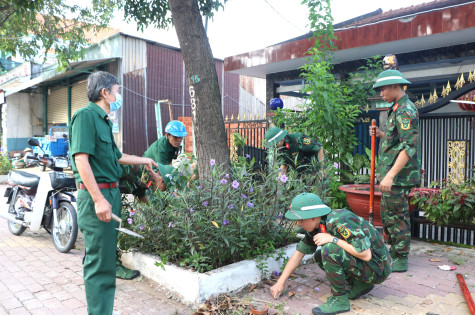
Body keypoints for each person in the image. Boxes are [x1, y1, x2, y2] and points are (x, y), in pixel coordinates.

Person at [69, 71, 158, 315]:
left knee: (107, 261)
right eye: (116, 91)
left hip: (111, 195)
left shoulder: (104, 121)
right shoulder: (86, 117)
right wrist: (98, 199)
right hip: (97, 196)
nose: (118, 96)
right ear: (104, 92)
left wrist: (145, 159)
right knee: (99, 264)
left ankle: (102, 311)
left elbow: (118, 157)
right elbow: (81, 160)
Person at [270, 193, 392, 315]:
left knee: (329, 250)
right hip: (369, 265)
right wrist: (280, 283)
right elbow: (299, 253)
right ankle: (360, 284)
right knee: (319, 256)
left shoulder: (340, 220)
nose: (298, 224)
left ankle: (340, 300)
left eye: (300, 220)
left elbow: (366, 255)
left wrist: (332, 239)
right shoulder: (317, 225)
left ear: (313, 216)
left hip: (378, 268)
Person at [369, 69, 421, 272]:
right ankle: (396, 251)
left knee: (397, 216)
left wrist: (390, 175)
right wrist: (381, 134)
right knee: (389, 214)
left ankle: (400, 257)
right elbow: (396, 140)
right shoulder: (396, 108)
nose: (381, 94)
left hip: (398, 177)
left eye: (383, 89)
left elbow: (409, 146)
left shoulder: (405, 110)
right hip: (392, 176)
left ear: (394, 86)